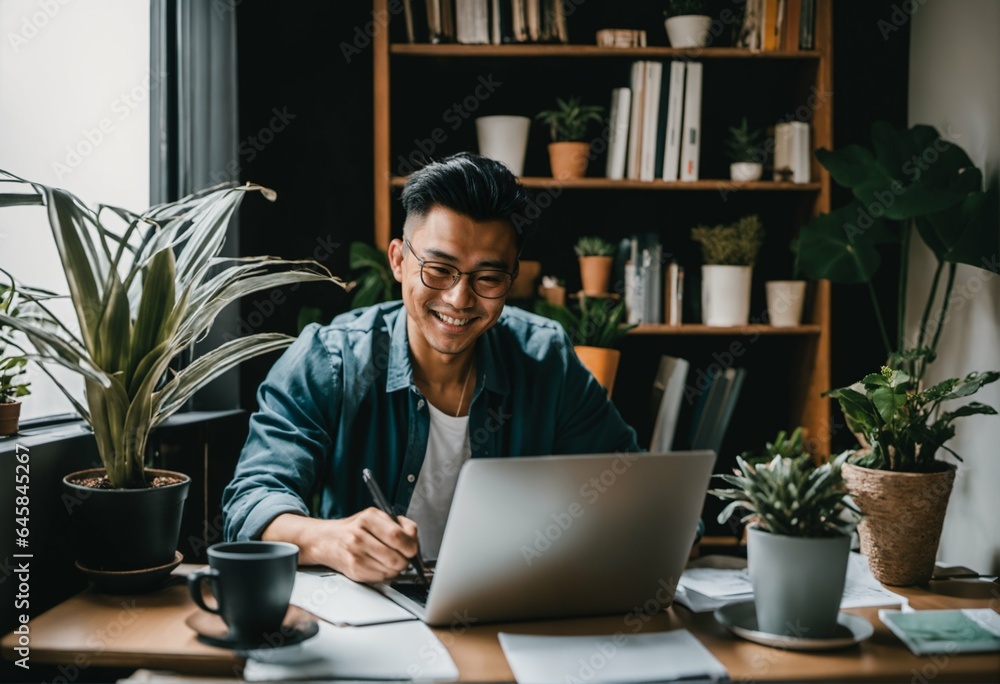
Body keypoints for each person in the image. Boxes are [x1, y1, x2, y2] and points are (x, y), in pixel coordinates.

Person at [222, 152, 640, 583]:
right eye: (439, 270)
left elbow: (631, 488)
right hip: (371, 618)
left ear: (511, 280)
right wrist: (333, 540)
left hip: (508, 610)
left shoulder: (545, 359)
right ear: (399, 261)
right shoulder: (331, 360)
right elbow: (251, 503)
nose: (460, 300)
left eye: (488, 278)